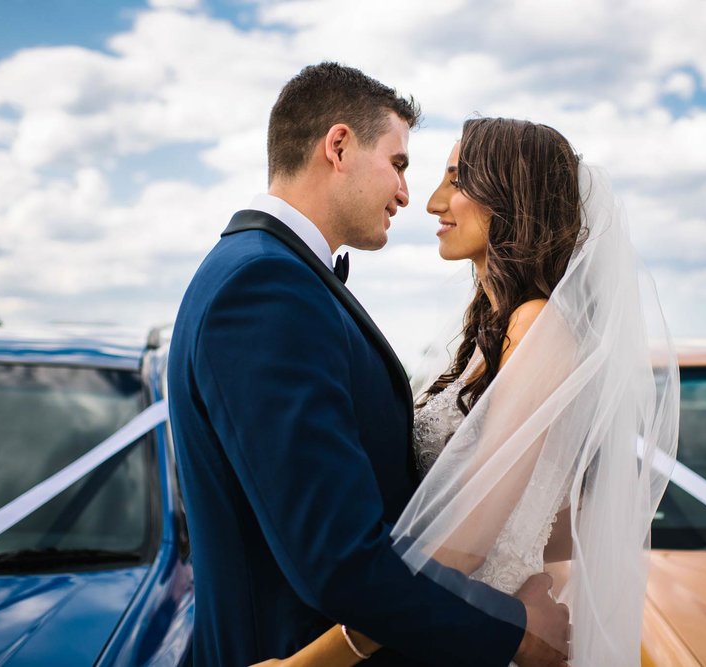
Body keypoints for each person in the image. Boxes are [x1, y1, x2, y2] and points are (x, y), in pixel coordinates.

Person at [167, 65, 569, 667]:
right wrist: (512, 630)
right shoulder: (264, 287)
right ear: (338, 146)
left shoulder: (263, 274)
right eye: (400, 164)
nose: (410, 195)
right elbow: (338, 560)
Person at [253, 118, 679, 667]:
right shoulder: (493, 334)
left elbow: (467, 534)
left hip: (474, 633)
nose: (432, 202)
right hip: (458, 621)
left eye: (456, 180)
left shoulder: (538, 328)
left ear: (511, 197)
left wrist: (312, 662)